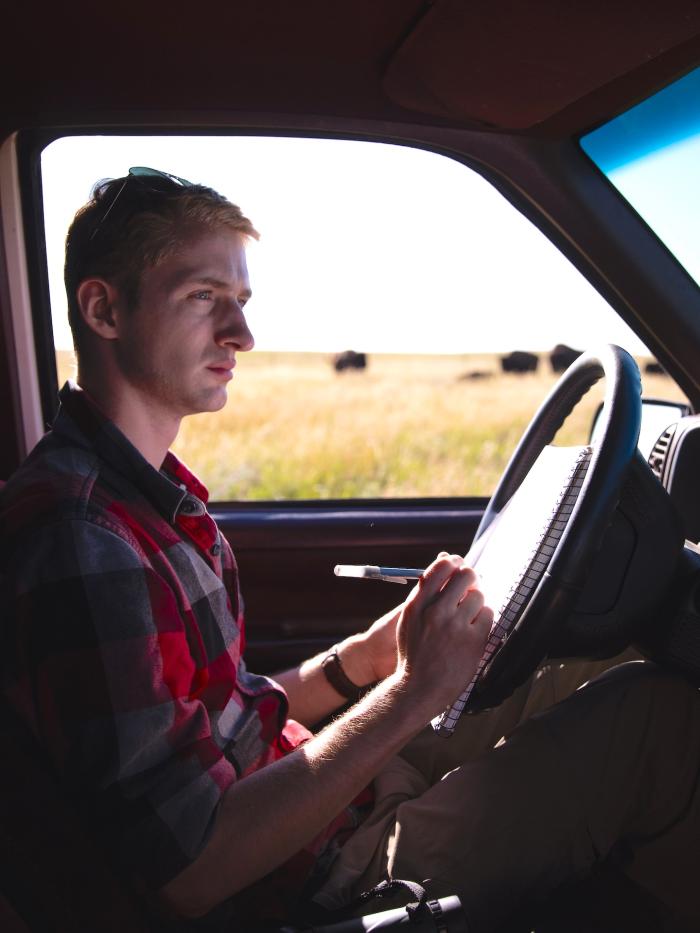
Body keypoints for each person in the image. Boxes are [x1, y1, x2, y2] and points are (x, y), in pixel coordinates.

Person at [1, 169, 699, 933]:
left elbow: (222, 713)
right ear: (103, 308)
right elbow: (187, 873)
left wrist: (365, 660)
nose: (243, 335)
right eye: (205, 297)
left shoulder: (142, 496)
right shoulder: (84, 537)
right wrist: (411, 694)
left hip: (330, 799)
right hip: (322, 878)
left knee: (597, 657)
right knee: (659, 724)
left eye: (242, 303)